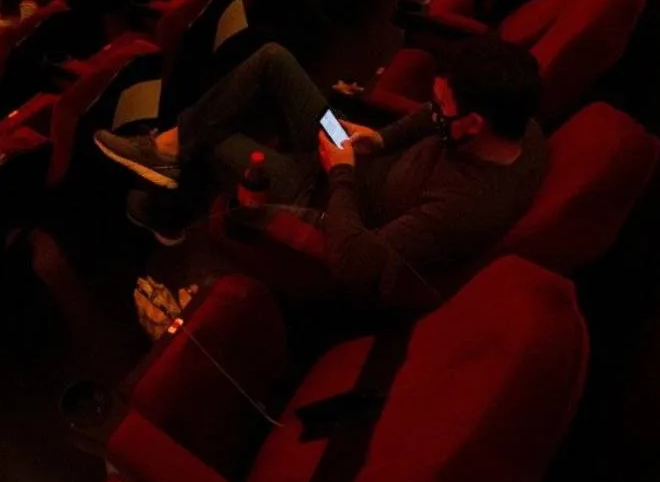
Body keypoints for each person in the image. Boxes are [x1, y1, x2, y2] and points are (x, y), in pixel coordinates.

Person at [94, 38, 547, 308]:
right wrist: (381, 138)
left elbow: (358, 262)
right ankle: (168, 153)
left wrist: (342, 176)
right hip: (353, 157)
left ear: (474, 123)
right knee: (272, 58)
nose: (434, 112)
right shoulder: (519, 126)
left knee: (212, 139)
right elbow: (429, 118)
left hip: (327, 198)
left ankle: (167, 199)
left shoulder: (465, 207)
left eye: (444, 106)